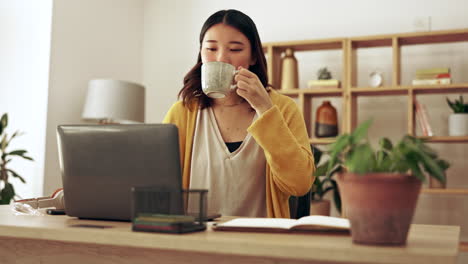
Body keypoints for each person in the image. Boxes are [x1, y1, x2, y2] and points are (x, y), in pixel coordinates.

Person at [163, 9, 314, 218]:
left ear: (253, 56)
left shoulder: (283, 109)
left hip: (262, 242)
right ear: (201, 55)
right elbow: (158, 187)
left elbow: (300, 184)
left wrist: (265, 109)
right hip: (195, 240)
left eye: (235, 49)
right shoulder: (183, 112)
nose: (222, 58)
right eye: (211, 48)